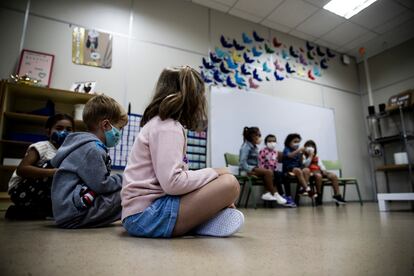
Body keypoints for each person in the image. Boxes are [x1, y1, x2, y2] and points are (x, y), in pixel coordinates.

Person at [121, 66, 244, 238]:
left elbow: (173, 181)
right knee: (229, 183)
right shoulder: (168, 127)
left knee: (220, 184)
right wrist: (215, 172)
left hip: (144, 214)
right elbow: (173, 183)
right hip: (146, 216)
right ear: (192, 98)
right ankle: (199, 222)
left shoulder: (161, 125)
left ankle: (197, 221)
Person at [50, 95, 128, 228]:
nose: (119, 133)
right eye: (119, 128)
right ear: (105, 125)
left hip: (66, 210)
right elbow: (101, 185)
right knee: (129, 192)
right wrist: (125, 179)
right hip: (75, 213)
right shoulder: (93, 149)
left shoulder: (83, 144)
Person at [5, 114, 74, 220]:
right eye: (59, 128)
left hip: (42, 196)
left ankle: (31, 211)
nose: (64, 132)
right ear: (48, 132)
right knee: (54, 164)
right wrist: (53, 172)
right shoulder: (43, 146)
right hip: (21, 191)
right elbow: (21, 170)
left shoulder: (68, 151)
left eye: (68, 129)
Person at [239, 127, 287, 205]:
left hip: (254, 169)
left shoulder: (254, 147)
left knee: (270, 173)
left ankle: (268, 193)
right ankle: (275, 194)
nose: (260, 137)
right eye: (258, 135)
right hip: (246, 171)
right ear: (252, 136)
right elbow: (242, 163)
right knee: (268, 172)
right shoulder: (246, 147)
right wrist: (250, 170)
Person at [302, 140, 346, 205]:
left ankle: (337, 195)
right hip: (312, 173)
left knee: (333, 176)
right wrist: (310, 156)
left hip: (320, 171)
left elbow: (321, 165)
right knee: (318, 176)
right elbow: (305, 165)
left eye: (312, 147)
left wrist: (324, 170)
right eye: (308, 147)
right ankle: (319, 196)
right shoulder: (303, 156)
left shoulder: (316, 156)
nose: (311, 149)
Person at [259, 134, 296, 207]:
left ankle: (288, 196)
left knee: (285, 175)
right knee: (277, 175)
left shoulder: (275, 152)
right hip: (267, 171)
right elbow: (261, 164)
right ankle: (281, 195)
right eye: (269, 141)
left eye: (273, 141)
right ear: (266, 142)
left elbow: (276, 164)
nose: (272, 142)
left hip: (275, 171)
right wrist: (269, 171)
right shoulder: (262, 151)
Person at [282, 133, 314, 197]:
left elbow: (301, 163)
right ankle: (307, 189)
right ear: (288, 142)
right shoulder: (286, 149)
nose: (297, 143)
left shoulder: (299, 152)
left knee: (307, 170)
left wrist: (304, 155)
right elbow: (290, 155)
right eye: (295, 141)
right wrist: (298, 150)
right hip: (288, 169)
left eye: (298, 142)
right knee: (298, 170)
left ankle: (302, 189)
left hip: (298, 168)